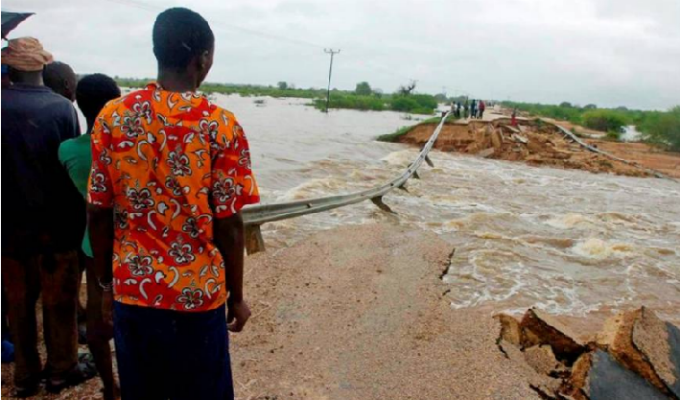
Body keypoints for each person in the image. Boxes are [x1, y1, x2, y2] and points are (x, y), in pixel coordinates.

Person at [87, 8, 260, 400]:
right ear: (202, 59)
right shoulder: (220, 124)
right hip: (198, 295)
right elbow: (230, 222)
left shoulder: (113, 117)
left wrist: (106, 285)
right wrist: (236, 297)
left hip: (134, 291)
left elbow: (97, 210)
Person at [1, 37, 95, 397]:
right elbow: (67, 167)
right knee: (60, 303)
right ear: (41, 66)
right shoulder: (60, 109)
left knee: (19, 305)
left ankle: (25, 377)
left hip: (9, 230)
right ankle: (61, 370)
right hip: (56, 228)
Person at [59, 73, 122, 400]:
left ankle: (110, 387)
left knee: (98, 320)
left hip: (92, 243)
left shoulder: (68, 150)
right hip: (131, 240)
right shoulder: (127, 149)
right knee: (133, 317)